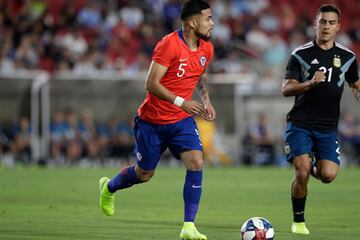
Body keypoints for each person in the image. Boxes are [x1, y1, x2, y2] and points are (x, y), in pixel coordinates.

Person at [99, 1, 215, 239]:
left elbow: (201, 76)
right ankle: (109, 187)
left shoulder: (207, 48)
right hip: (152, 120)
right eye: (208, 18)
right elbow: (151, 83)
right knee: (144, 174)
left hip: (181, 121)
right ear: (193, 23)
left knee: (196, 161)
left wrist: (206, 101)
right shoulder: (169, 44)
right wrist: (183, 102)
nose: (212, 23)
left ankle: (188, 227)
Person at [282, 4, 360, 235]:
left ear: (339, 27)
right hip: (300, 124)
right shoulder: (300, 54)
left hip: (327, 129)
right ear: (315, 24)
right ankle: (298, 222)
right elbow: (286, 89)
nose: (326, 26)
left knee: (327, 175)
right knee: (303, 171)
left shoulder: (348, 57)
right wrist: (309, 83)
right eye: (322, 22)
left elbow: (355, 83)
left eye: (331, 23)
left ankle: (308, 164)